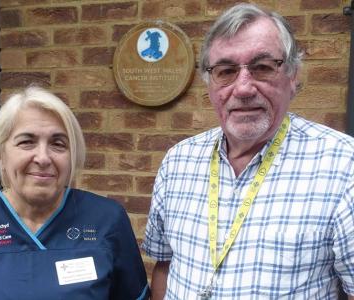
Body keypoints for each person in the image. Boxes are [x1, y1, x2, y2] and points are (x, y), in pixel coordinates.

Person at [142, 3, 354, 299]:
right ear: (210, 83)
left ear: (292, 76)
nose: (243, 88)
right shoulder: (178, 161)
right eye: (226, 71)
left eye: (263, 67)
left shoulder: (344, 165)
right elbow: (164, 265)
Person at [0, 86, 149, 299]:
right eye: (27, 142)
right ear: (1, 153)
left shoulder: (107, 219)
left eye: (58, 144)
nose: (43, 158)